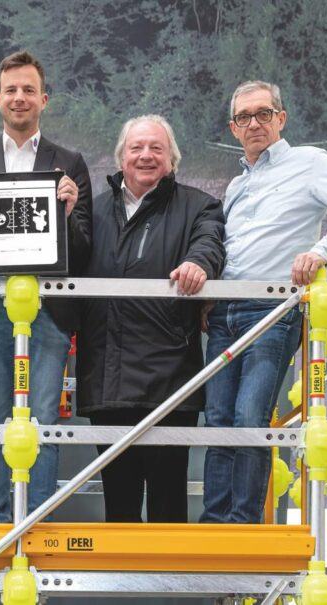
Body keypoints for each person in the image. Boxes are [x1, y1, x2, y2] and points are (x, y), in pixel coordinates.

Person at [200, 80, 327, 524]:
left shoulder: (310, 163)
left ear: (281, 119)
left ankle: (243, 526)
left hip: (273, 311)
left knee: (249, 417)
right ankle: (214, 526)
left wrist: (323, 251)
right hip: (224, 311)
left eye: (264, 114)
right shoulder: (236, 186)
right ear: (233, 127)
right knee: (220, 420)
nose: (254, 124)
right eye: (244, 117)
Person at [0, 50, 92, 522]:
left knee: (42, 424)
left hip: (48, 314)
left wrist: (67, 214)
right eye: (11, 89)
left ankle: (35, 526)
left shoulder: (70, 163)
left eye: (29, 89)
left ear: (43, 99)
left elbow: (84, 247)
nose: (19, 97)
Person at [76, 115, 225, 522]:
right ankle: (121, 585)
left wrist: (198, 264)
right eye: (136, 148)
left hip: (170, 382)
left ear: (172, 159)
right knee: (118, 506)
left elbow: (210, 245)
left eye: (156, 148)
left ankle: (168, 585)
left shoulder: (200, 206)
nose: (146, 156)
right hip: (105, 377)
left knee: (168, 505)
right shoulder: (91, 209)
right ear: (121, 158)